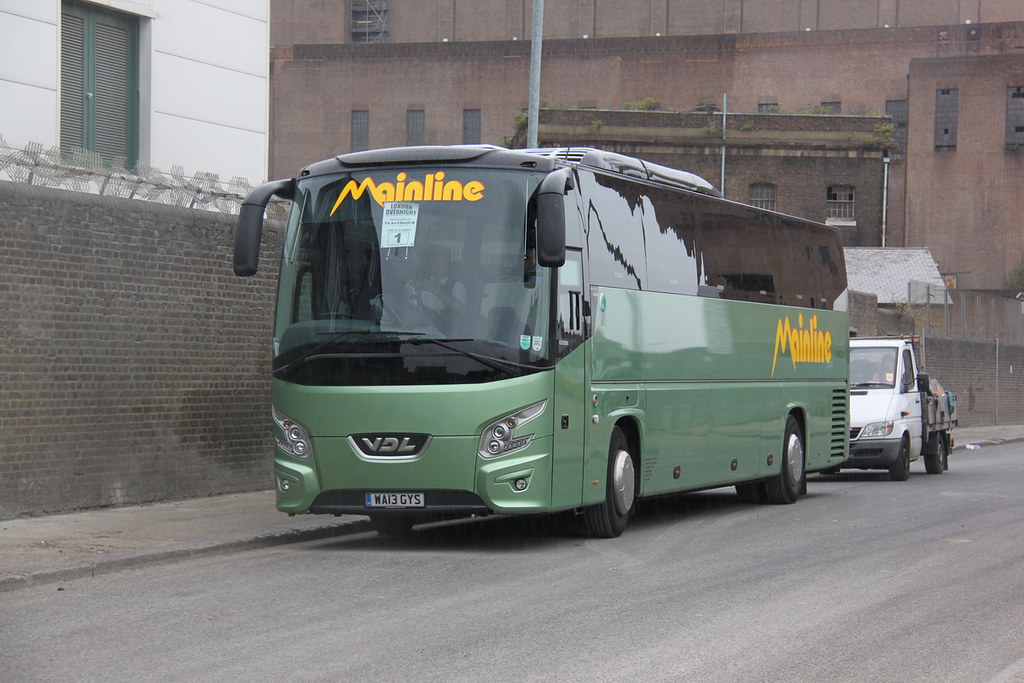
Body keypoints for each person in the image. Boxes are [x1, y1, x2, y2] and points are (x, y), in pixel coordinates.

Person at [415, 250, 466, 331]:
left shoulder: (457, 285)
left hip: (446, 333)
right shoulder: (422, 281)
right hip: (420, 329)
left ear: (448, 268)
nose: (436, 269)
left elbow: (457, 307)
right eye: (434, 265)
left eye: (440, 266)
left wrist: (435, 291)